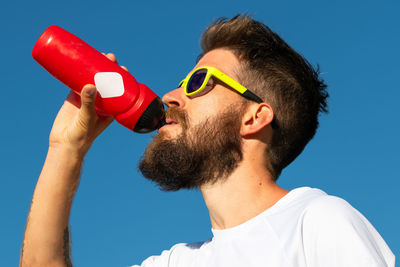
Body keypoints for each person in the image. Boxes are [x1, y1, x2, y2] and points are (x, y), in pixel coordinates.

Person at [20, 15, 395, 267]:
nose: (169, 96)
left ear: (255, 116)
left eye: (197, 82)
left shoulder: (316, 222)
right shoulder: (178, 261)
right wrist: (65, 150)